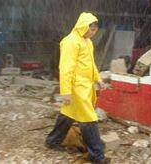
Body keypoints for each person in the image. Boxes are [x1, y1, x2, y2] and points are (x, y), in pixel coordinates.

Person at [46, 12, 109, 163]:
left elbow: (90, 63)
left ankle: (52, 141)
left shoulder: (87, 42)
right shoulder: (70, 42)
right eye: (91, 29)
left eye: (95, 30)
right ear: (83, 27)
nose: (93, 33)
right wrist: (66, 91)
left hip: (85, 86)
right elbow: (66, 67)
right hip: (76, 88)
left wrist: (98, 79)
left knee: (68, 114)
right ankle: (97, 156)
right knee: (88, 119)